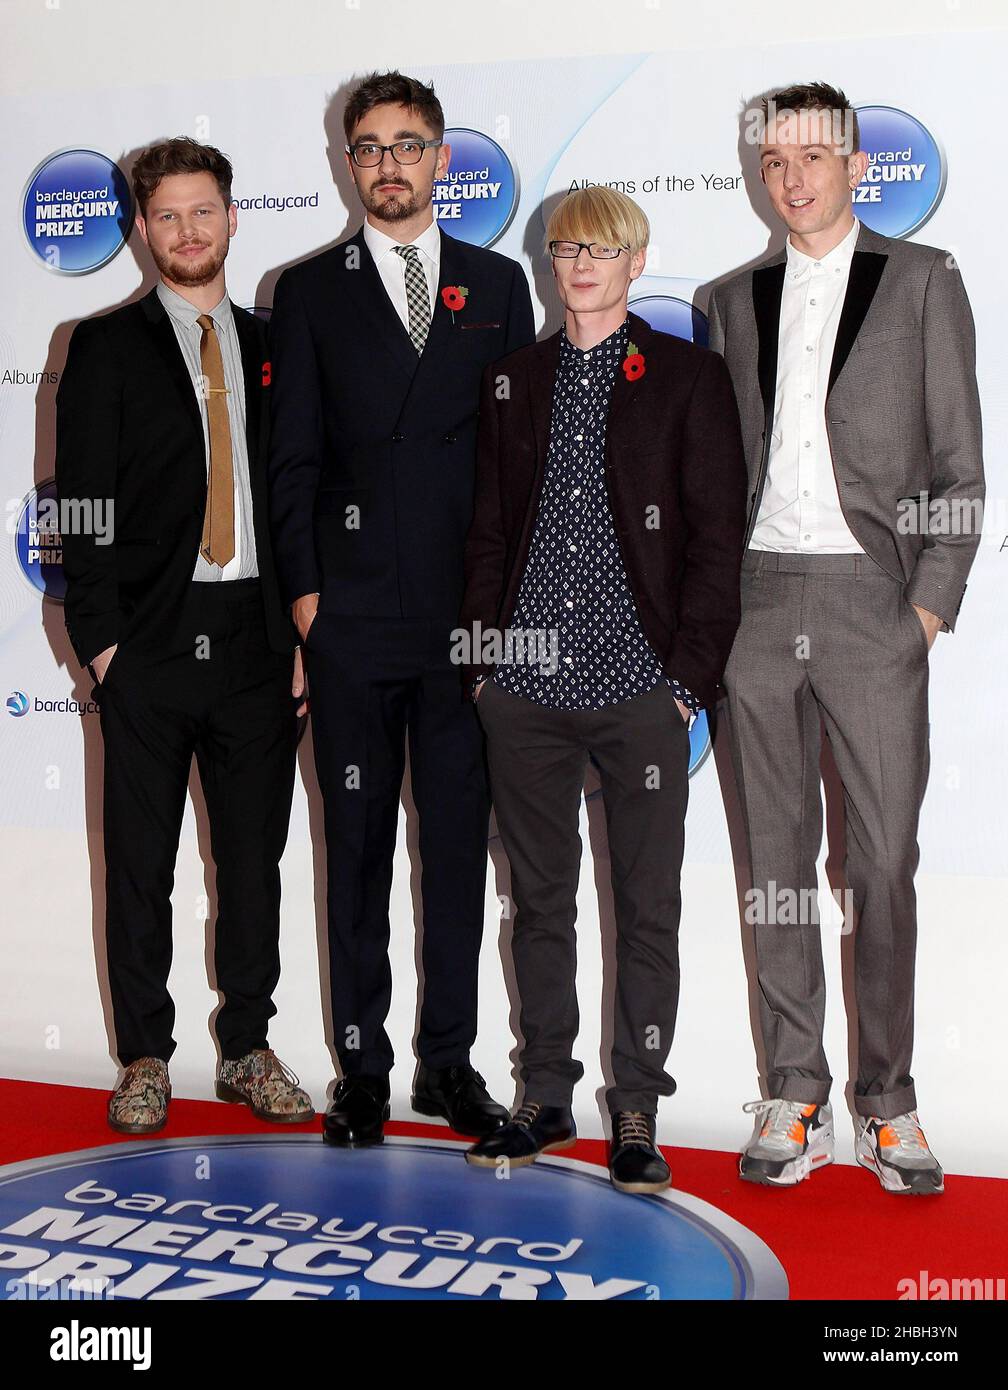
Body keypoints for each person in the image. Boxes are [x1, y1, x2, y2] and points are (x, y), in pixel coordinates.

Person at [708, 82, 985, 1194]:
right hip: (756, 604)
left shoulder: (924, 282)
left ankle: (889, 1098)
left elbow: (961, 467)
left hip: (875, 606)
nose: (791, 179)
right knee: (774, 864)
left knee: (877, 863)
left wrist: (925, 605)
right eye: (773, 161)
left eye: (811, 157)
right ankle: (793, 1084)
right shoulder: (733, 300)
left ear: (856, 164)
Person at [459, 186, 747, 1192]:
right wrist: (486, 663)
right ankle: (543, 1093)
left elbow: (717, 540)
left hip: (641, 689)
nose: (581, 262)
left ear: (635, 262)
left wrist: (686, 683)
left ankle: (635, 1104)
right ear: (548, 261)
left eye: (603, 247)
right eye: (566, 246)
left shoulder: (688, 377)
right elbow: (489, 530)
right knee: (537, 901)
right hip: (525, 689)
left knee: (645, 907)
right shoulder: (513, 380)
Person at [268, 70, 535, 1147]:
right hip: (353, 617)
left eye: (408, 144)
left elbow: (518, 462)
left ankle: (449, 1063)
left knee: (458, 848)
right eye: (369, 146)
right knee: (358, 847)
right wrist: (305, 598)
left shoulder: (499, 281)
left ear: (441, 158)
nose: (388, 164)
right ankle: (364, 1065)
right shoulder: (308, 289)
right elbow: (289, 459)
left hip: (466, 616)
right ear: (348, 162)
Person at [56, 137, 312, 1134]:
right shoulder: (103, 347)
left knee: (252, 861)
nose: (187, 231)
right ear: (141, 229)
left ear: (234, 218)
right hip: (149, 647)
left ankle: (247, 1046)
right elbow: (77, 506)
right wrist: (103, 644)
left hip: (256, 638)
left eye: (203, 211)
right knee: (140, 864)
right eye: (166, 215)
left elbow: (298, 496)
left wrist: (299, 634)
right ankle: (146, 1056)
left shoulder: (277, 347)